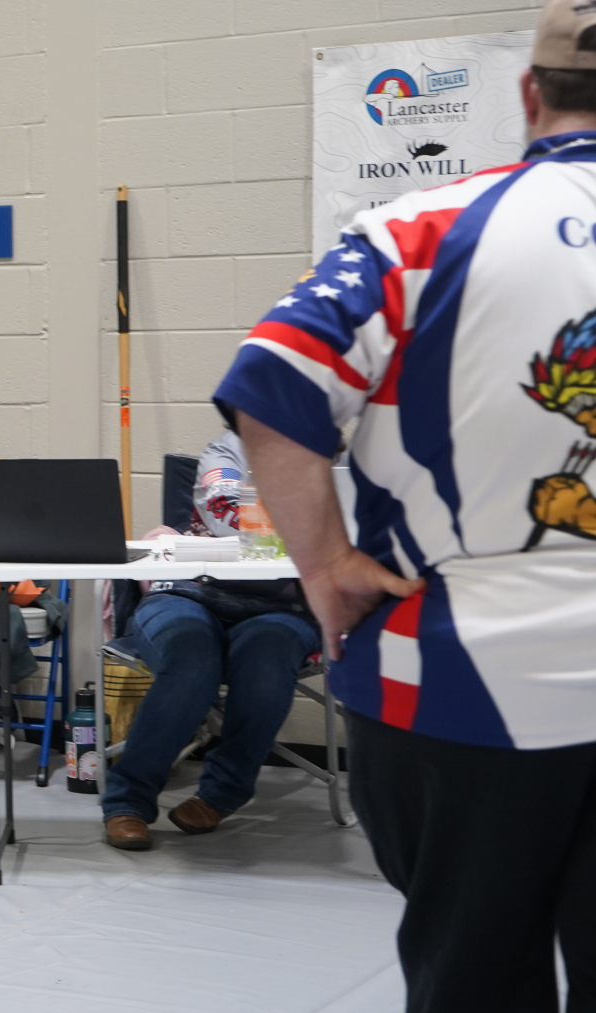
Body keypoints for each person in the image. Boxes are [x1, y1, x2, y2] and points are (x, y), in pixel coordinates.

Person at [216, 3, 596, 1006]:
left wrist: (324, 562)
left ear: (529, 93)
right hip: (471, 671)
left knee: (473, 974)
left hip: (459, 672)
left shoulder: (417, 231)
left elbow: (274, 376)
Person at [101, 430, 319, 850]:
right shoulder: (229, 448)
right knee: (191, 663)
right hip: (189, 591)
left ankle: (221, 794)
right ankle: (127, 801)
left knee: (267, 661)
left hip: (282, 607)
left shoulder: (337, 466)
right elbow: (225, 512)